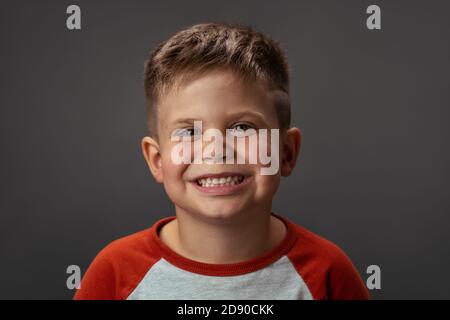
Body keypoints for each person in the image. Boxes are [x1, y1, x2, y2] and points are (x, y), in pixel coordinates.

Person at [74, 22, 370, 300]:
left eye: (242, 128)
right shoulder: (115, 272)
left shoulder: (328, 272)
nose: (215, 150)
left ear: (286, 152)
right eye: (189, 131)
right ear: (157, 160)